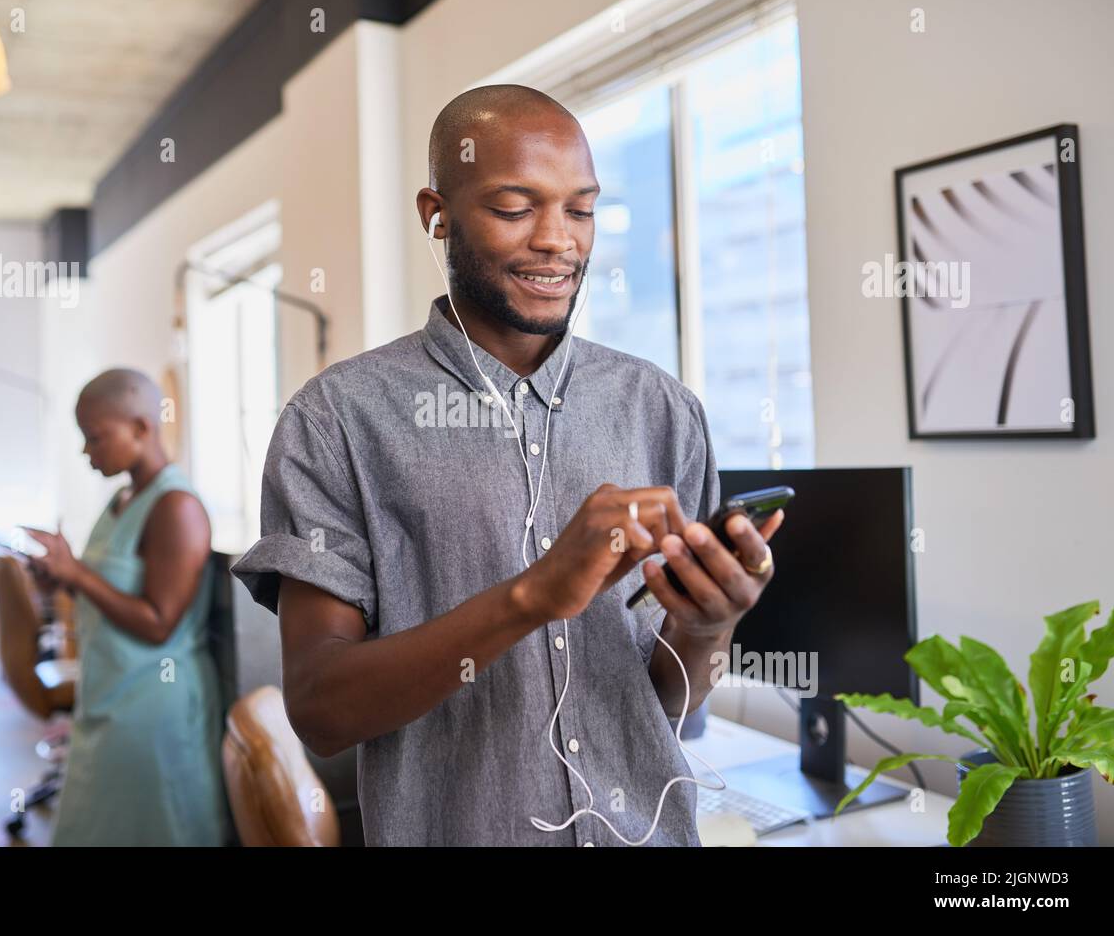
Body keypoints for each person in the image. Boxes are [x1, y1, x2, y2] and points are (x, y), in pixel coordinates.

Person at [234, 85, 784, 846]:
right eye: (515, 208)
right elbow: (322, 708)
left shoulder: (662, 409)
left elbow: (668, 703)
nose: (558, 239)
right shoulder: (336, 420)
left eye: (581, 209)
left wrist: (708, 625)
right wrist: (531, 596)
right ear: (437, 214)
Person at [24, 368, 229, 846]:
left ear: (141, 428)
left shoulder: (176, 507)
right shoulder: (121, 499)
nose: (86, 451)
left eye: (95, 437)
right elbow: (106, 595)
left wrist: (77, 573)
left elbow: (159, 623)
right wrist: (62, 577)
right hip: (109, 695)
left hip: (153, 708)